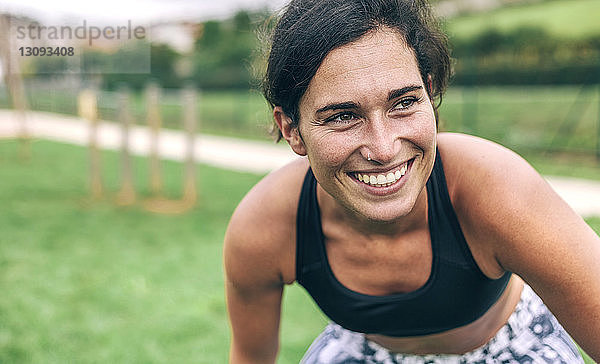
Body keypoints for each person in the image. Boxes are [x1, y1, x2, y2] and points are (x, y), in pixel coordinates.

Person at [223, 0, 600, 362]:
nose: (384, 149)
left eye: (403, 102)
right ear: (291, 129)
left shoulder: (494, 188)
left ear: (430, 92)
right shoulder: (266, 226)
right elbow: (250, 358)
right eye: (342, 116)